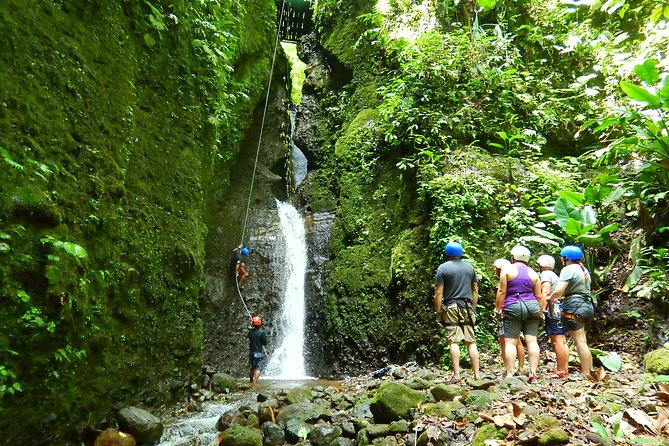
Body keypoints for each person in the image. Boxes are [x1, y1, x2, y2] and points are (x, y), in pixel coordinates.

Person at [433, 241, 481, 382]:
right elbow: (475, 290)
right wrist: (473, 307)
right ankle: (477, 375)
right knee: (471, 341)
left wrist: (438, 309)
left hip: (451, 306)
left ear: (447, 253)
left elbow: (438, 292)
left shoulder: (443, 268)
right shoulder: (470, 268)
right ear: (461, 253)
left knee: (454, 341)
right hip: (467, 306)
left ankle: (457, 375)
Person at [496, 246, 544, 382]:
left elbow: (502, 291)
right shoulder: (533, 273)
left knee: (510, 342)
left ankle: (510, 374)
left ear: (513, 257)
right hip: (532, 306)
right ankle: (533, 374)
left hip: (513, 305)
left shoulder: (507, 270)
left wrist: (498, 308)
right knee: (532, 341)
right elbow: (539, 296)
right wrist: (540, 312)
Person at [549, 245, 595, 377]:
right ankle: (589, 370)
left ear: (565, 258)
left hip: (575, 305)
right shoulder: (584, 269)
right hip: (587, 305)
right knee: (583, 341)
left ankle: (586, 373)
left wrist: (550, 298)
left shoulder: (568, 269)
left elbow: (559, 290)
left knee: (580, 341)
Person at [537, 254, 569, 378]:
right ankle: (563, 369)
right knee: (561, 340)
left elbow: (545, 292)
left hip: (553, 310)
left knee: (557, 341)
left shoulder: (546, 275)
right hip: (559, 309)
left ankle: (561, 370)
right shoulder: (554, 275)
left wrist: (541, 311)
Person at [493, 259, 525, 375]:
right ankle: (521, 367)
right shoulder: (514, 280)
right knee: (517, 341)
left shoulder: (504, 280)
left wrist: (497, 309)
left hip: (505, 312)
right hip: (515, 310)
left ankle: (508, 368)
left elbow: (501, 296)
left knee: (505, 341)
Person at [248, 314, 268, 384]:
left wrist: (251, 323)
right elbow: (265, 343)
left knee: (252, 368)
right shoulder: (262, 333)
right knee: (258, 368)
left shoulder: (250, 332)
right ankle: (254, 382)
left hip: (252, 353)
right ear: (260, 324)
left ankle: (250, 381)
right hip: (259, 353)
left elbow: (250, 330)